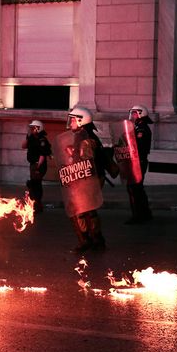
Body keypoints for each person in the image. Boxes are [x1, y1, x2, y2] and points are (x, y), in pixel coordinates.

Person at [60, 107, 106, 252]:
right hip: (86, 179)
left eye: (73, 120)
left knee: (85, 211)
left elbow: (86, 162)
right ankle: (93, 240)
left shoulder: (86, 139)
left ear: (81, 121)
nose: (71, 123)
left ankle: (91, 240)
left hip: (89, 179)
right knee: (85, 210)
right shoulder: (82, 135)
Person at [125, 104, 154, 224]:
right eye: (132, 113)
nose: (133, 115)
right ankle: (145, 213)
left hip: (139, 161)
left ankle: (138, 215)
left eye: (135, 113)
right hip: (138, 161)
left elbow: (138, 146)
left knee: (134, 188)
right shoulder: (137, 127)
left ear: (141, 114)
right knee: (138, 188)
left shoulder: (141, 129)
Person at [22, 120, 52, 214]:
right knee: (35, 184)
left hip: (38, 164)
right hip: (33, 164)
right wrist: (27, 138)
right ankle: (35, 205)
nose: (31, 129)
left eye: (33, 128)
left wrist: (38, 168)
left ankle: (37, 206)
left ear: (38, 128)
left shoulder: (42, 140)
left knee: (35, 184)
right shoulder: (32, 138)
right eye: (31, 128)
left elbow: (42, 155)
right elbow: (23, 146)